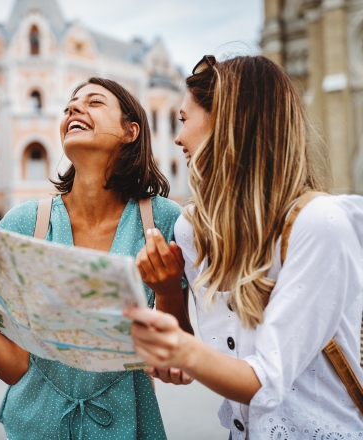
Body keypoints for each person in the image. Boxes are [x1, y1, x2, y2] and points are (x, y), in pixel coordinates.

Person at [0, 77, 192, 439]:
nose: (73, 109)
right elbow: (16, 365)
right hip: (33, 428)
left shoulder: (164, 221)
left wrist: (170, 291)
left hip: (128, 429)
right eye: (69, 106)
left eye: (94, 102)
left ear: (131, 131)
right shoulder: (23, 223)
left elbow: (177, 360)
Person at [125, 55, 363, 437]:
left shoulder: (318, 223)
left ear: (229, 121)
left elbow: (264, 381)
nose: (176, 137)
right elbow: (187, 368)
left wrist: (174, 346)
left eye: (184, 120)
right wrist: (167, 292)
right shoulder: (193, 229)